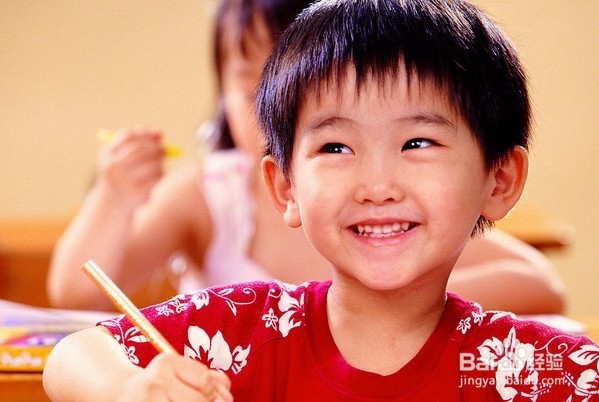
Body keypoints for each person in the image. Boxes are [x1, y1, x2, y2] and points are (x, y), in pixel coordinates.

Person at [43, 0, 597, 400]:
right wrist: (129, 389)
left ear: (499, 180)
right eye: (336, 147)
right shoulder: (245, 330)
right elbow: (74, 354)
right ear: (285, 186)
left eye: (417, 143)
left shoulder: (524, 366)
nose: (376, 185)